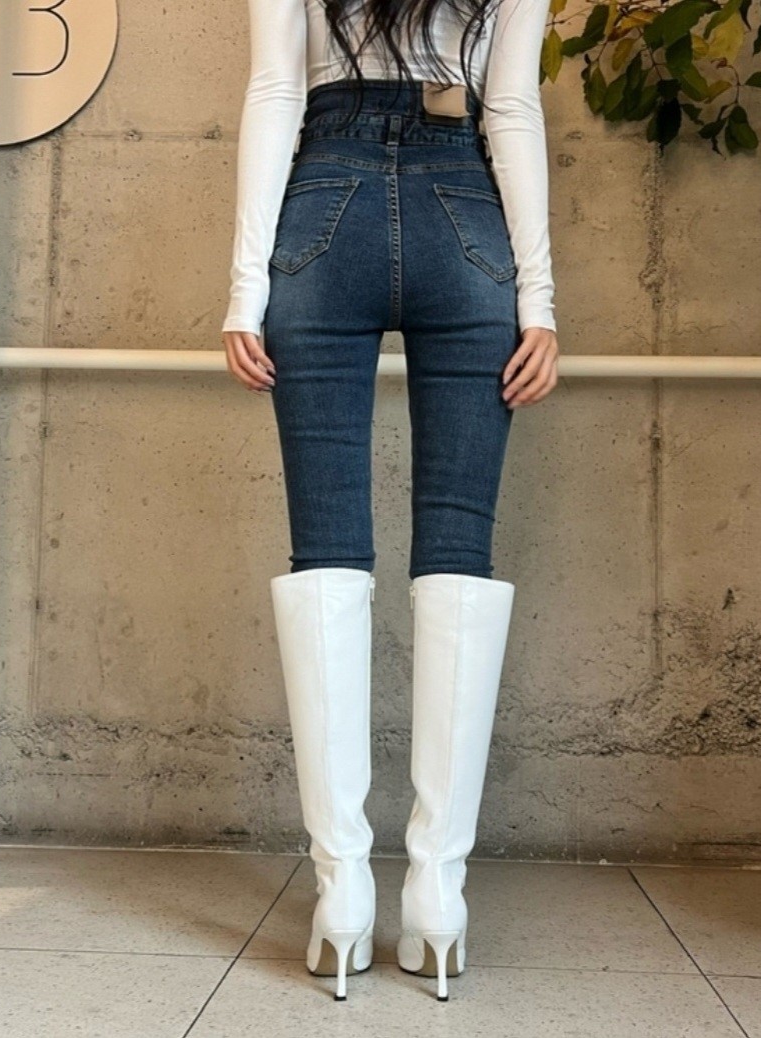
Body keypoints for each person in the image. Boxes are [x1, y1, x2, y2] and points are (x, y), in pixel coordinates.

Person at [221, 0, 559, 1002]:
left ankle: (341, 898)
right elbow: (512, 108)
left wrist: (244, 292)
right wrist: (538, 303)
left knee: (325, 547)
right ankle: (437, 900)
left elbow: (276, 89)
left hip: (322, 208)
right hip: (467, 210)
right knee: (459, 545)